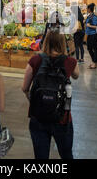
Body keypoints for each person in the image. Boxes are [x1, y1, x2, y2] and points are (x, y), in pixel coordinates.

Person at [22, 30, 79, 159]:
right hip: (62, 117)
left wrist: (34, 100)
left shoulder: (35, 60)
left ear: (45, 41)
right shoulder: (69, 61)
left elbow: (24, 87)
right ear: (62, 42)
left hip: (38, 116)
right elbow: (76, 75)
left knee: (41, 156)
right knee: (66, 154)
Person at [85, 3, 97, 69]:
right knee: (89, 48)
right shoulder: (89, 16)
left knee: (95, 49)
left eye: (87, 8)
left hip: (94, 35)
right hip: (89, 34)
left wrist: (89, 25)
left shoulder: (94, 17)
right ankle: (94, 61)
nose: (86, 9)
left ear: (89, 9)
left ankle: (95, 63)